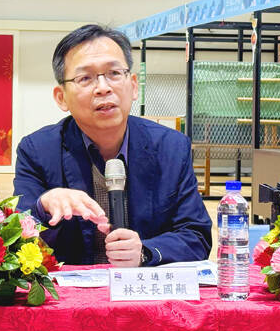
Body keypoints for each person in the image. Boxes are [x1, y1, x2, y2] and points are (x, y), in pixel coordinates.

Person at [14, 25, 211, 267]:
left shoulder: (171, 148)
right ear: (61, 98)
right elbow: (15, 241)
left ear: (134, 86)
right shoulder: (37, 151)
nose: (103, 87)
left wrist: (144, 252)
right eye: (85, 78)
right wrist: (42, 206)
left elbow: (196, 236)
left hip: (145, 295)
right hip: (72, 300)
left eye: (114, 73)